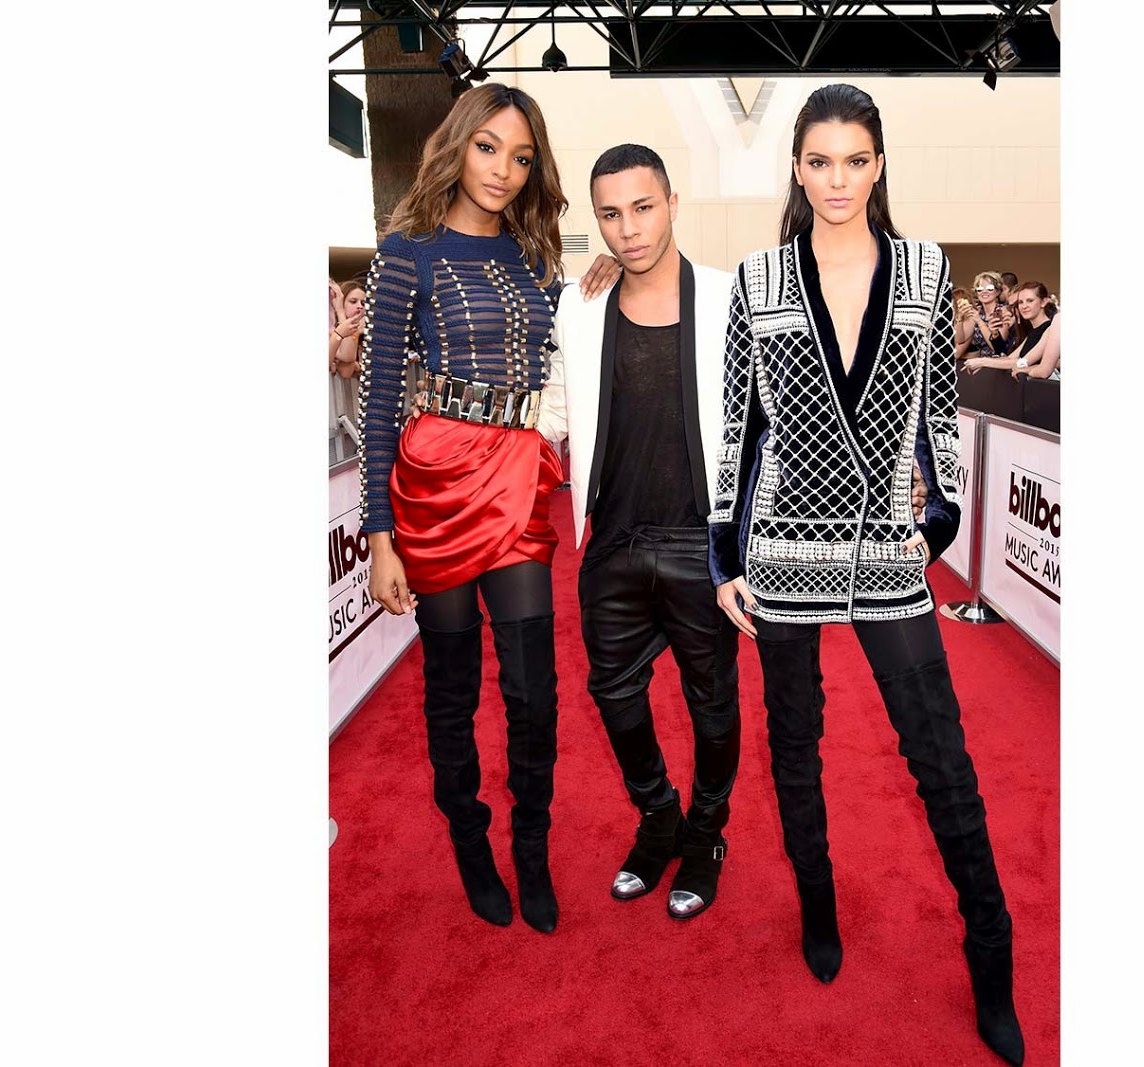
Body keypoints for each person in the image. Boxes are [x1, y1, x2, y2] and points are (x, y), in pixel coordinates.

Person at [708, 83, 1024, 1065]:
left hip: (887, 543)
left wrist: (942, 515)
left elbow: (937, 414)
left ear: (878, 165)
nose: (837, 179)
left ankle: (991, 951)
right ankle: (817, 901)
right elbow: (737, 426)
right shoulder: (758, 278)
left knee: (941, 753)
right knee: (793, 741)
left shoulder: (926, 268)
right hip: (781, 545)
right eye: (819, 161)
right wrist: (724, 552)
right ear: (797, 169)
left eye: (854, 160)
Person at [356, 84, 617, 936]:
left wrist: (603, 282)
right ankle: (471, 843)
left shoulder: (532, 258)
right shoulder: (408, 253)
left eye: (522, 157)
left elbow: (570, 350)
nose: (504, 169)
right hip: (434, 480)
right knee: (453, 687)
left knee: (534, 690)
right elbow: (379, 397)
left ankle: (530, 846)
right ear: (458, 145)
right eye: (489, 147)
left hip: (516, 475)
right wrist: (380, 537)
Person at [537, 144, 742, 920]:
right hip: (613, 543)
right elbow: (556, 412)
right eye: (611, 214)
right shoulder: (579, 304)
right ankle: (659, 816)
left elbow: (766, 417)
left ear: (673, 203)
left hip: (702, 544)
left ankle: (706, 835)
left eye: (643, 207)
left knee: (713, 706)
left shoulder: (729, 297)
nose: (628, 229)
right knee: (614, 694)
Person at [1009, 282, 1059, 381]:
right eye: (1020, 302)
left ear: (1043, 302)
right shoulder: (1032, 331)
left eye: (1030, 301)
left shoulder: (1051, 327)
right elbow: (1018, 360)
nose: (1024, 306)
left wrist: (983, 361)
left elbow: (1042, 369)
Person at [331, 278, 366, 379]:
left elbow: (347, 371)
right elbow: (347, 357)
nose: (359, 306)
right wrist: (340, 312)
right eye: (353, 301)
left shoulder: (366, 332)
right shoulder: (331, 330)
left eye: (363, 303)